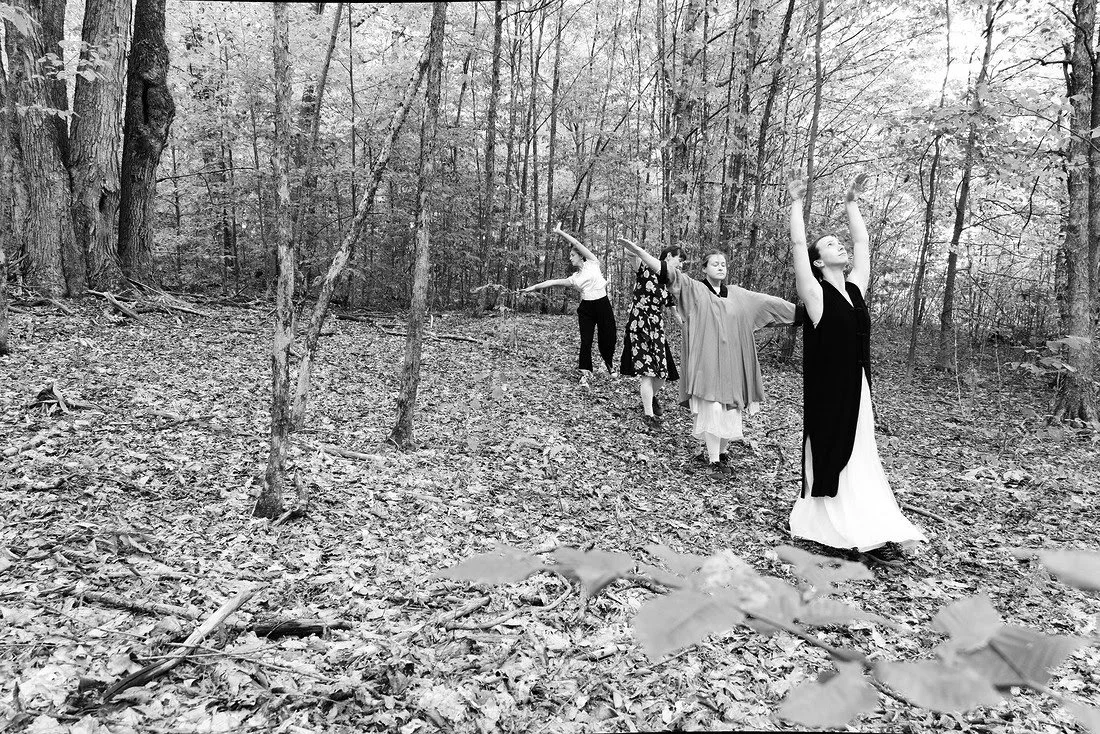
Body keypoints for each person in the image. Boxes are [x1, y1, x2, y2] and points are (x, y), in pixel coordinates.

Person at [786, 171, 926, 565]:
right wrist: (796, 203)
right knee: (837, 455)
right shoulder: (815, 294)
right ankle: (848, 529)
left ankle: (866, 522)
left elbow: (863, 242)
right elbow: (798, 242)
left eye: (839, 241)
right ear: (818, 261)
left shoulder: (855, 289)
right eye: (830, 244)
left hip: (859, 388)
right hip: (829, 395)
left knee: (862, 454)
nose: (841, 245)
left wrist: (852, 204)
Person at [619, 239, 797, 470]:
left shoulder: (737, 295)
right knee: (712, 408)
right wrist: (641, 253)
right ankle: (713, 460)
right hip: (706, 364)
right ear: (704, 268)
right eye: (715, 264)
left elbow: (771, 304)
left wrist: (809, 313)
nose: (721, 267)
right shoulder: (695, 290)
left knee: (731, 412)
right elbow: (668, 272)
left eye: (723, 264)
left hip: (732, 365)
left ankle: (722, 455)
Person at [522, 223, 617, 386]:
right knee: (585, 341)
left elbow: (577, 243)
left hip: (603, 305)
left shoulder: (593, 262)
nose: (570, 258)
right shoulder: (574, 278)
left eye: (572, 255)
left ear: (580, 256)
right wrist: (532, 288)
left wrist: (560, 232)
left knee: (608, 338)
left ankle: (608, 362)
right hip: (586, 309)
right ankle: (586, 373)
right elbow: (552, 282)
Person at [619, 245, 683, 428]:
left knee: (662, 374)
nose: (680, 265)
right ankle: (649, 415)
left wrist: (688, 326)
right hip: (638, 325)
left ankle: (650, 398)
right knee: (647, 373)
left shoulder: (670, 281)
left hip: (657, 329)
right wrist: (636, 249)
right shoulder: (645, 268)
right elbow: (630, 253)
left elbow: (674, 311)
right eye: (680, 260)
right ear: (669, 256)